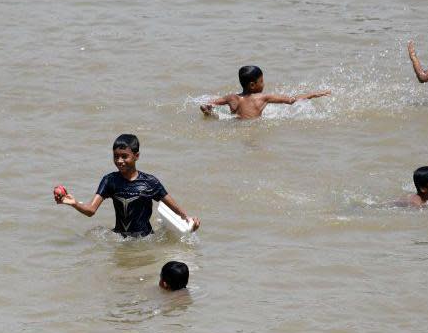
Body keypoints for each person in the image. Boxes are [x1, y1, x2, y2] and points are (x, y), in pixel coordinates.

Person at [56, 134, 200, 237]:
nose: (119, 161)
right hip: (119, 239)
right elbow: (91, 211)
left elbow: (174, 208)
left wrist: (189, 222)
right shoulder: (110, 180)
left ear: (136, 156)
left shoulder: (150, 183)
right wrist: (74, 203)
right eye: (116, 156)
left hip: (145, 240)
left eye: (124, 156)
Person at [200, 65, 331, 120]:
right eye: (261, 81)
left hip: (234, 124)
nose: (264, 84)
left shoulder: (232, 98)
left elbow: (210, 103)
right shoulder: (262, 98)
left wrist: (208, 108)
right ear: (252, 85)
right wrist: (313, 94)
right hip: (253, 127)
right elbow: (291, 100)